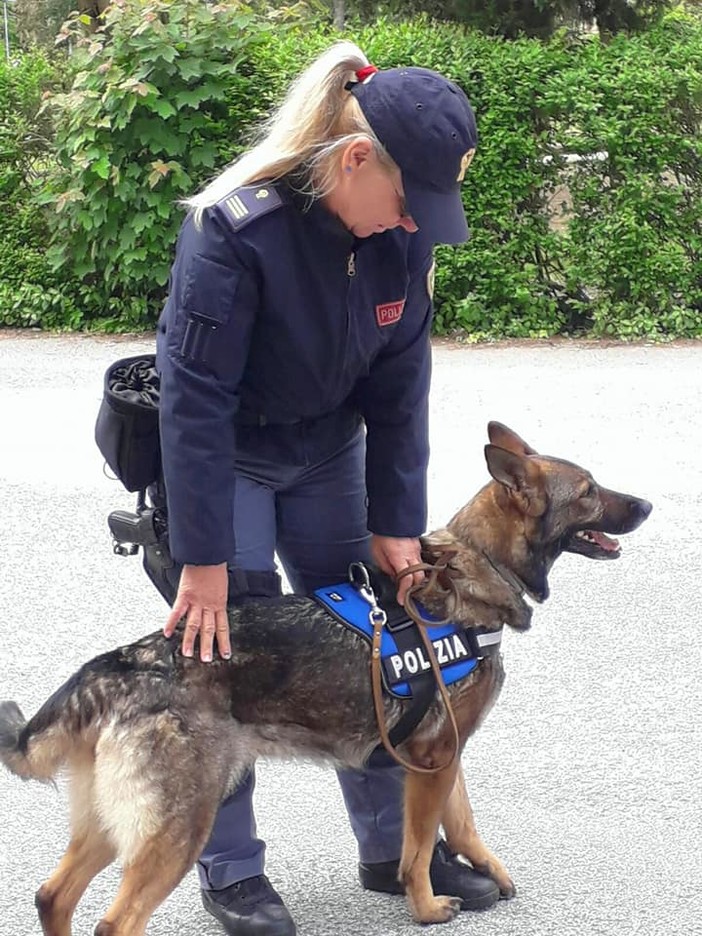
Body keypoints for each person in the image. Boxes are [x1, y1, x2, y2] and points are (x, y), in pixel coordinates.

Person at [155, 40, 496, 936]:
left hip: (327, 452)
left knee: (377, 644)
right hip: (229, 455)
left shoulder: (398, 243)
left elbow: (401, 389)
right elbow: (194, 404)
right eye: (407, 200)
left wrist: (396, 522)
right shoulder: (235, 232)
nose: (411, 223)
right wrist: (202, 558)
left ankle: (395, 852)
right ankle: (232, 870)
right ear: (354, 161)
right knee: (225, 656)